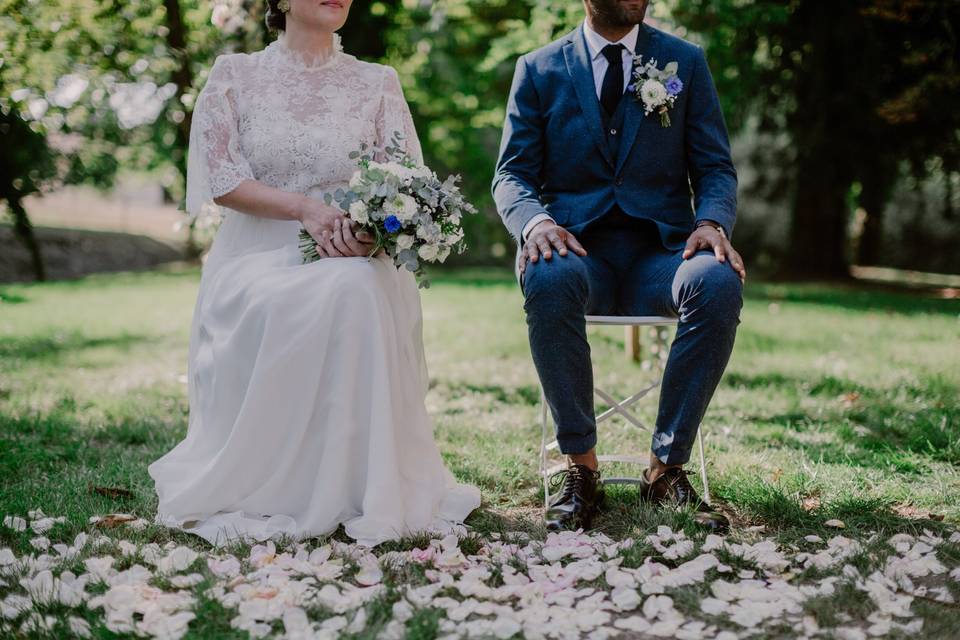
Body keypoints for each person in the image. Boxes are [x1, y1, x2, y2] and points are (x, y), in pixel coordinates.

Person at [148, 0, 479, 547]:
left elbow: (409, 181)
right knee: (342, 290)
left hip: (353, 258)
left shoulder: (378, 82)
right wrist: (306, 209)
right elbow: (223, 179)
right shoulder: (235, 76)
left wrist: (381, 227)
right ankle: (281, 485)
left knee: (355, 285)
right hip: (255, 260)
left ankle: (361, 484)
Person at [492, 0, 744, 531]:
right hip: (578, 255)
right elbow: (511, 175)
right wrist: (536, 225)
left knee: (717, 280)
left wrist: (712, 225)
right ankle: (580, 470)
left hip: (665, 256)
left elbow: (716, 168)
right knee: (547, 272)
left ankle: (666, 471)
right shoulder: (537, 69)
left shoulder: (685, 62)